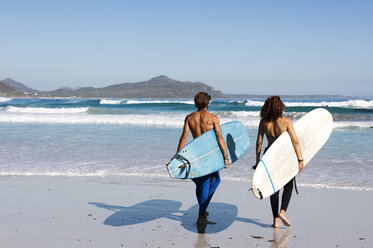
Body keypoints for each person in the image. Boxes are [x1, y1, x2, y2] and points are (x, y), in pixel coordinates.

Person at [176, 92, 229, 224]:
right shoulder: (213, 118)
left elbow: (184, 137)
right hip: (210, 154)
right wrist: (226, 156)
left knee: (208, 181)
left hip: (196, 154)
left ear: (196, 103)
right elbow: (219, 137)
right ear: (207, 103)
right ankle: (201, 215)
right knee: (208, 182)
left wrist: (178, 155)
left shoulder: (189, 118)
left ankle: (203, 211)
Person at [254, 96, 304, 228]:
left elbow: (259, 143)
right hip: (285, 157)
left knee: (273, 188)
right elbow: (295, 141)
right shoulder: (286, 122)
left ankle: (275, 220)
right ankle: (283, 212)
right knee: (288, 185)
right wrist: (300, 159)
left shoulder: (264, 122)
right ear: (280, 107)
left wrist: (258, 161)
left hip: (269, 156)